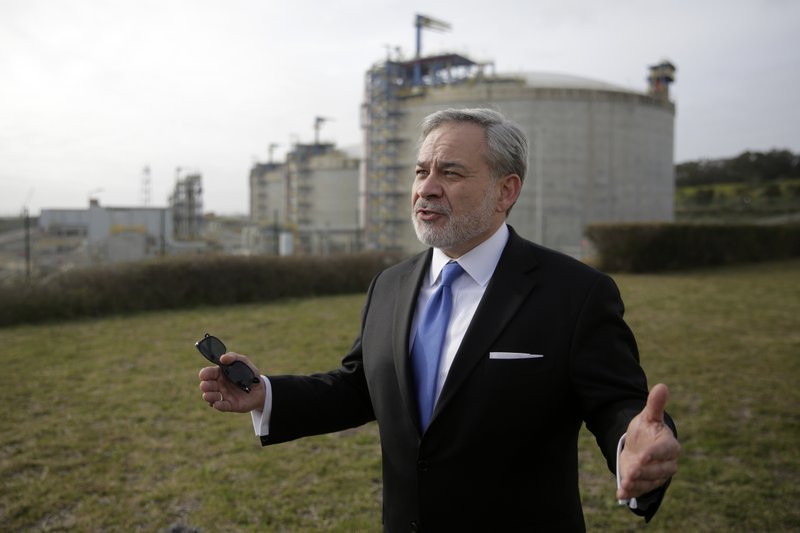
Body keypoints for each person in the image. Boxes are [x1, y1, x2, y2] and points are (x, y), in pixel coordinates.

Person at [199, 107, 680, 532]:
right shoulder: (389, 285)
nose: (426, 189)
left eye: (450, 173)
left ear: (505, 190)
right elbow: (361, 386)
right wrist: (268, 394)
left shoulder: (574, 292)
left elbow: (617, 404)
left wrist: (632, 445)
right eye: (421, 171)